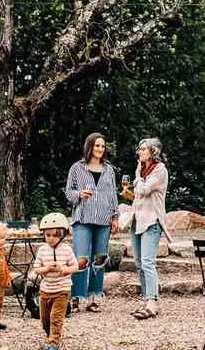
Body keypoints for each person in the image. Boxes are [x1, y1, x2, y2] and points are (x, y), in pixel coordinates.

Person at [63, 132, 119, 313]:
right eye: (97, 146)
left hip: (103, 219)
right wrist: (79, 194)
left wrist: (115, 217)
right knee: (81, 259)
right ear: (90, 147)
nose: (100, 149)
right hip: (83, 218)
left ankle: (94, 296)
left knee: (100, 257)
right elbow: (68, 192)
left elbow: (113, 196)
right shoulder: (77, 168)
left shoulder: (109, 170)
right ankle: (77, 297)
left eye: (103, 146)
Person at [125, 137, 168, 320]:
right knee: (139, 263)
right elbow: (138, 195)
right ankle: (146, 299)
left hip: (152, 221)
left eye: (143, 149)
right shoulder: (141, 169)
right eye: (139, 149)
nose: (139, 152)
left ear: (153, 152)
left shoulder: (160, 170)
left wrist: (136, 179)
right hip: (137, 220)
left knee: (148, 263)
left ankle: (153, 303)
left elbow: (144, 189)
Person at [31, 212, 78, 350]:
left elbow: (75, 266)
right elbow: (36, 268)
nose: (50, 238)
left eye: (54, 235)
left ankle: (53, 345)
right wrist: (45, 269)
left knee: (55, 318)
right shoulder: (42, 250)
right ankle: (52, 339)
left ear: (62, 235)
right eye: (48, 235)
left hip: (62, 290)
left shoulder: (66, 250)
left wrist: (64, 270)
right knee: (44, 320)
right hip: (45, 290)